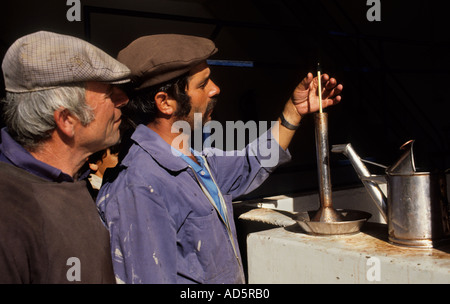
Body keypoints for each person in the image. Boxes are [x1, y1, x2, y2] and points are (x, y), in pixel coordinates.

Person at [97, 34, 343, 284]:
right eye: (202, 85)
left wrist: (294, 110)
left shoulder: (193, 158)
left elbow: (252, 161)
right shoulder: (140, 186)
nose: (216, 88)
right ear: (165, 102)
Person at [0, 31, 131, 283]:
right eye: (109, 94)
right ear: (67, 120)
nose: (123, 100)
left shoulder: (71, 180)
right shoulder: (9, 209)